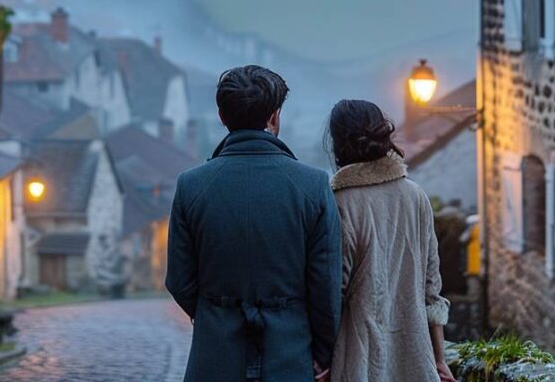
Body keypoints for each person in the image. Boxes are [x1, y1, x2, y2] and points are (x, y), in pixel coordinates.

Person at [166, 65, 342, 382]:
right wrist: (323, 353)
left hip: (214, 355)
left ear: (221, 116)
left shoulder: (191, 185)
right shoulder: (313, 186)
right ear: (275, 117)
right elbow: (325, 286)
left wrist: (217, 314)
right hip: (289, 353)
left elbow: (179, 280)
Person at [325, 99, 455, 382]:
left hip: (358, 359)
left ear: (338, 142)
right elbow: (432, 289)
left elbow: (334, 290)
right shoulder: (415, 196)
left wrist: (321, 357)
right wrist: (439, 359)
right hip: (414, 358)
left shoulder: (340, 203)